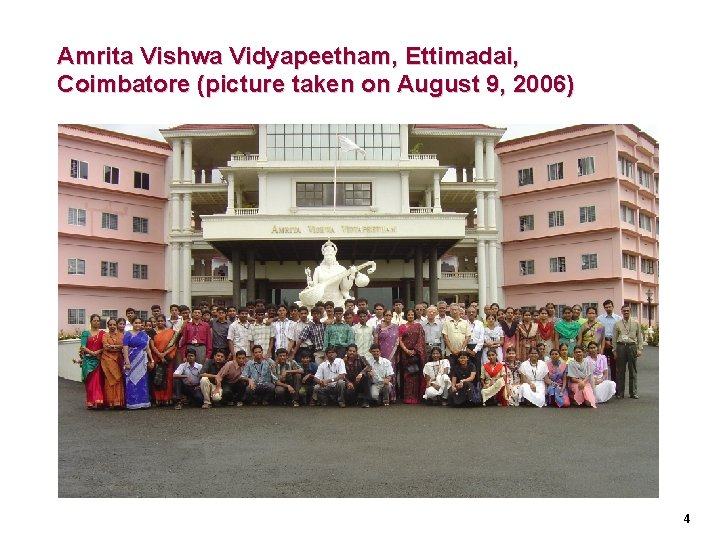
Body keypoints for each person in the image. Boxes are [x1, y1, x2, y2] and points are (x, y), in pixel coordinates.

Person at [122, 318, 154, 410]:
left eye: (140, 323)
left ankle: (143, 402)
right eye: (136, 323)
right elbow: (125, 348)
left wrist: (151, 360)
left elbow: (147, 349)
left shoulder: (144, 335)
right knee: (131, 381)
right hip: (131, 360)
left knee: (142, 381)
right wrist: (127, 362)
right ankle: (132, 403)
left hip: (142, 361)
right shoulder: (127, 334)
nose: (138, 325)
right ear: (132, 323)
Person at [613, 304, 643, 399]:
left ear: (630, 312)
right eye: (624, 311)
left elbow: (639, 336)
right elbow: (614, 338)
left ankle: (633, 392)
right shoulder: (617, 323)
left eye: (627, 311)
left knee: (633, 370)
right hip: (621, 346)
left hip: (632, 346)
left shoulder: (636, 323)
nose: (626, 312)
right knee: (620, 371)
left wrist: (639, 349)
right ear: (621, 312)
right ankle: (620, 392)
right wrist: (614, 351)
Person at [149, 315, 179, 406]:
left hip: (167, 358)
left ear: (165, 321)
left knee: (168, 377)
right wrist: (159, 355)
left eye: (162, 321)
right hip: (156, 357)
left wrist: (164, 355)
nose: (160, 322)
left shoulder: (171, 332)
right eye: (158, 321)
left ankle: (167, 398)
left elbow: (173, 345)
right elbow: (152, 345)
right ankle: (158, 398)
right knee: (157, 377)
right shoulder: (152, 331)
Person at [398, 309, 427, 404]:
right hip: (405, 354)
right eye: (409, 314)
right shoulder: (402, 326)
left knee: (415, 375)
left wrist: (415, 350)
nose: (410, 316)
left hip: (416, 354)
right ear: (406, 315)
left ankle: (415, 397)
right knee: (407, 375)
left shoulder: (418, 326)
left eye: (412, 314)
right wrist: (406, 350)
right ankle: (407, 397)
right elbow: (400, 340)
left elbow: (421, 340)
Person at [79, 314, 106, 409]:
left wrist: (97, 352)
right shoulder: (86, 333)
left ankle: (98, 401)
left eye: (98, 321)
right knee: (90, 382)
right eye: (94, 320)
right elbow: (83, 346)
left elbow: (104, 346)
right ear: (90, 322)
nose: (96, 322)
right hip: (88, 360)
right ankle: (90, 401)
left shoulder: (103, 333)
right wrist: (92, 353)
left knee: (98, 381)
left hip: (98, 360)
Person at [374, 309, 399, 402]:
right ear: (383, 316)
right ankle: (380, 395)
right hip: (381, 353)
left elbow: (397, 342)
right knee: (380, 373)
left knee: (391, 373)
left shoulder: (396, 327)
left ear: (392, 316)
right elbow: (376, 341)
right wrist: (376, 352)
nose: (388, 317)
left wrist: (397, 355)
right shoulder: (379, 327)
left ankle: (391, 396)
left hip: (392, 354)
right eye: (386, 315)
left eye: (390, 315)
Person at [100, 318, 124, 408]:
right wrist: (117, 347)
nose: (112, 326)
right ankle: (110, 402)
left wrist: (112, 347)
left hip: (118, 360)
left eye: (114, 325)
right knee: (109, 380)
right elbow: (106, 347)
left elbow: (123, 347)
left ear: (116, 325)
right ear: (108, 326)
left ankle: (118, 402)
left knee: (118, 380)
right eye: (110, 325)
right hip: (107, 360)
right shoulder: (105, 335)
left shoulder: (121, 335)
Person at [599, 299, 622, 381]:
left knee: (614, 366)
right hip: (603, 343)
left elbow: (621, 332)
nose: (608, 308)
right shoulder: (600, 319)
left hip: (614, 343)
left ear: (613, 306)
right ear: (604, 308)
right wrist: (604, 342)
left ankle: (615, 388)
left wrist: (613, 342)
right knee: (602, 366)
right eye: (606, 307)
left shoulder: (618, 319)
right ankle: (603, 385)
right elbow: (598, 333)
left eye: (609, 306)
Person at [442, 303, 471, 368]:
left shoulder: (465, 322)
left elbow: (467, 337)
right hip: (450, 353)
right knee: (451, 371)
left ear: (459, 311)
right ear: (450, 311)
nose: (454, 311)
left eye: (456, 310)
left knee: (462, 371)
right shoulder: (446, 322)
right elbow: (445, 337)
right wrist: (452, 350)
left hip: (462, 353)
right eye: (452, 310)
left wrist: (462, 349)